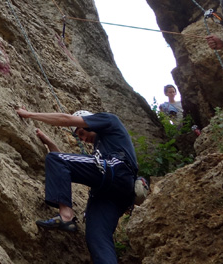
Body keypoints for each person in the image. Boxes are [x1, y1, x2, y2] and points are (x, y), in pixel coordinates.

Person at [15, 107, 138, 264]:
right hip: (115, 193)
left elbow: (65, 120)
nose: (82, 139)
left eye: (81, 133)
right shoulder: (102, 147)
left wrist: (29, 114)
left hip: (116, 171)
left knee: (56, 159)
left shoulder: (108, 120)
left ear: (88, 122)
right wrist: (50, 144)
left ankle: (66, 216)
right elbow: (69, 167)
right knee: (97, 238)